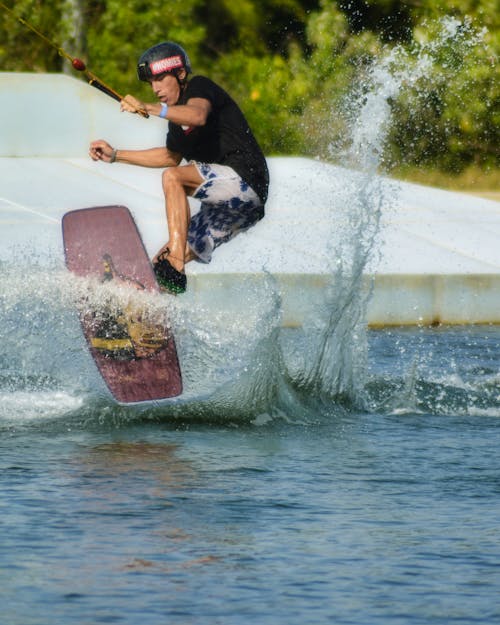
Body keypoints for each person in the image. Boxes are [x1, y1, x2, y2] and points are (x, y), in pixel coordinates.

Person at [89, 41, 269, 294]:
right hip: (241, 210)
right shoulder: (176, 121)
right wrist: (116, 155)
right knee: (159, 267)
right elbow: (170, 156)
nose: (156, 89)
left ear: (180, 74)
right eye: (151, 83)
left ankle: (176, 264)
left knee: (173, 179)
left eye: (161, 78)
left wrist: (149, 108)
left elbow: (197, 116)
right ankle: (146, 311)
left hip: (245, 179)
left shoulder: (199, 87)